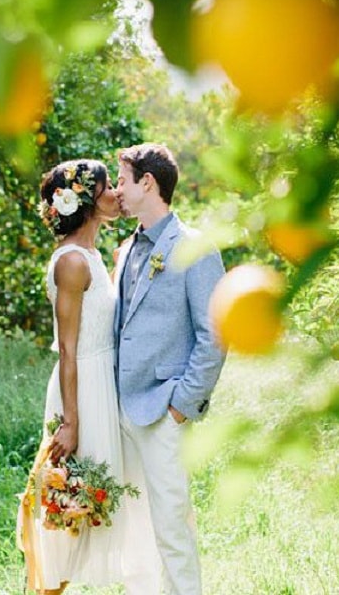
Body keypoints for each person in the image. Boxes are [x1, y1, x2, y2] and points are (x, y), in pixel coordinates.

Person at [16, 159, 158, 594]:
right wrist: (71, 423)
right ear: (87, 201)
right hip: (81, 391)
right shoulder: (72, 263)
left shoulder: (93, 257)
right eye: (106, 188)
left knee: (95, 506)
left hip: (104, 388)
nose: (116, 193)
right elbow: (70, 349)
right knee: (69, 512)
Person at [113, 143, 227, 595]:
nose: (118, 190)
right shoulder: (127, 249)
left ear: (147, 182)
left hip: (164, 411)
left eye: (123, 180)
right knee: (134, 532)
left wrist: (181, 405)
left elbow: (215, 333)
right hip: (121, 410)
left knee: (173, 529)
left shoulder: (195, 247)